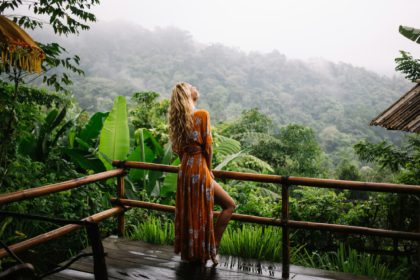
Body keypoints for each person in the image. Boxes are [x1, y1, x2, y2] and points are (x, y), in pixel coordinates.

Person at [169, 82, 236, 266]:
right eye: (191, 86)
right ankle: (212, 249)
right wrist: (209, 169)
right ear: (187, 94)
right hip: (200, 168)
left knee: (191, 210)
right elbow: (208, 147)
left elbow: (178, 150)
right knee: (229, 205)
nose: (194, 86)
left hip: (185, 170)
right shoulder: (201, 115)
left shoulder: (178, 121)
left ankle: (195, 253)